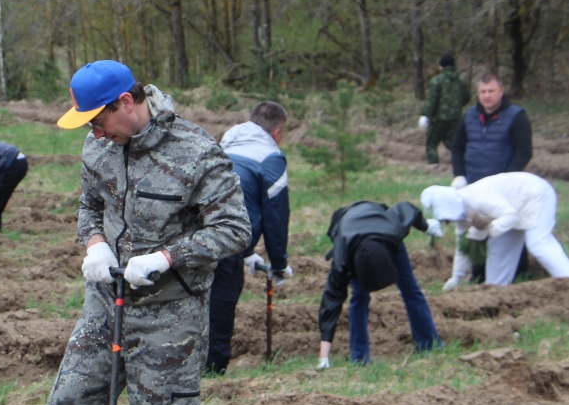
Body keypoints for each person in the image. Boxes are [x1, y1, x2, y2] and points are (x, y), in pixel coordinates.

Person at [23, 60, 251, 405]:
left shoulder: (196, 152)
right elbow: (90, 205)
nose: (95, 133)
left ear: (126, 103)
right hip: (106, 306)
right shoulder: (100, 146)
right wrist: (93, 243)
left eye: (98, 120)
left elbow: (235, 230)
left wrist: (168, 257)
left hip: (171, 316)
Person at [206, 101, 292, 374]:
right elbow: (275, 217)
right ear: (277, 133)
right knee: (222, 301)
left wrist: (248, 253)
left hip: (192, 235)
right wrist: (279, 264)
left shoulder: (224, 145)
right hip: (227, 242)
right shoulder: (271, 157)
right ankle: (211, 371)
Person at [316, 200, 443, 369]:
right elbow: (331, 301)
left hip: (384, 237)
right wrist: (323, 357)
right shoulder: (343, 259)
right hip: (355, 245)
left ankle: (429, 343)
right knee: (359, 297)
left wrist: (426, 226)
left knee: (410, 288)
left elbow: (407, 208)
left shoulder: (394, 229)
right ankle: (359, 358)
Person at [421, 173, 569, 288]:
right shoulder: (459, 215)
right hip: (509, 209)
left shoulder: (477, 198)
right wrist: (457, 277)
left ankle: (565, 279)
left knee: (538, 243)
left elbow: (510, 215)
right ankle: (497, 292)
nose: (447, 222)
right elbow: (463, 247)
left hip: (534, 195)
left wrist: (487, 230)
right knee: (497, 255)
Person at [451, 73, 532, 187]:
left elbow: (524, 151)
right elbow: (457, 147)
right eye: (483, 91)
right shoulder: (469, 115)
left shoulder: (517, 116)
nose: (487, 95)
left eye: (491, 91)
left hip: (501, 187)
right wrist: (459, 175)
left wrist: (509, 178)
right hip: (470, 184)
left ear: (501, 91)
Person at [419, 55, 470, 164]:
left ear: (441, 66)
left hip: (438, 119)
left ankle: (434, 167)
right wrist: (456, 106)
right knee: (453, 143)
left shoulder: (437, 80)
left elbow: (432, 101)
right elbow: (466, 98)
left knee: (432, 144)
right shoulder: (461, 80)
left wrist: (425, 114)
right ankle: (462, 163)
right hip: (455, 118)